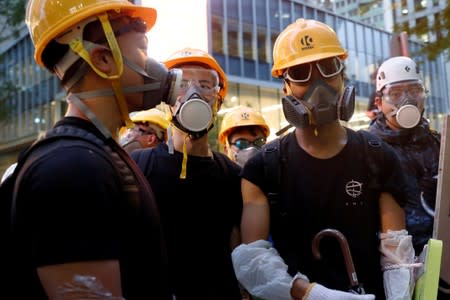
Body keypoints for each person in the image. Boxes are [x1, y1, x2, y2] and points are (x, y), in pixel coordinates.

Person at [232, 18, 414, 300]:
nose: (318, 83)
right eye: (301, 72)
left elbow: (397, 255)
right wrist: (310, 294)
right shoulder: (262, 169)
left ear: (342, 76)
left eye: (328, 68)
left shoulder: (378, 157)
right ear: (285, 87)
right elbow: (253, 259)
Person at [11, 0, 182, 298]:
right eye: (142, 49)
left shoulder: (93, 156)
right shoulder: (72, 168)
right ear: (104, 59)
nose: (152, 63)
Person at [131, 47, 243, 300]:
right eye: (182, 84)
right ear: (166, 99)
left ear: (218, 100)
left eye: (205, 85)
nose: (193, 93)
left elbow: (238, 249)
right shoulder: (138, 168)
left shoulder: (232, 176)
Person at [368, 56, 448, 298]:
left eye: (415, 90)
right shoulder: (367, 148)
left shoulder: (437, 142)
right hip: (392, 267)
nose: (407, 100)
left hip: (442, 261)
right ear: (379, 102)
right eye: (397, 93)